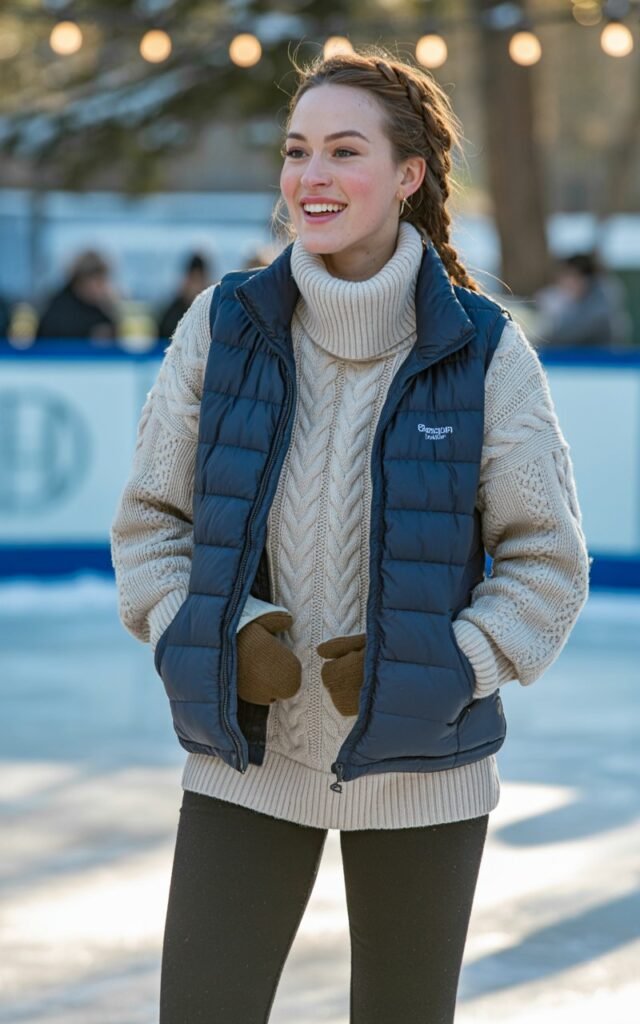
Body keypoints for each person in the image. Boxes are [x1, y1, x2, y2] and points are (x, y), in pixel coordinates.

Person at [110, 46, 591, 1024]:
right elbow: (150, 525)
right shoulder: (224, 324)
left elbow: (546, 562)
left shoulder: (481, 348)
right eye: (295, 152)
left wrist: (445, 663)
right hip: (243, 758)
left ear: (407, 176)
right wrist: (213, 632)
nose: (310, 178)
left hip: (428, 771)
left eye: (341, 151)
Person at [534, 250, 632, 349]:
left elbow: (574, 332)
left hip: (602, 357)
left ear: (586, 279)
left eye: (572, 276)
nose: (567, 283)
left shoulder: (604, 299)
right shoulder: (556, 297)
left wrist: (541, 336)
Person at [35, 249, 118, 344]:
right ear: (82, 281)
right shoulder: (58, 308)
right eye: (99, 282)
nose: (103, 287)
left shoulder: (97, 306)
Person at [156, 252, 212, 341]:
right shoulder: (172, 313)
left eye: (198, 280)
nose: (195, 287)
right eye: (193, 280)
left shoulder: (212, 312)